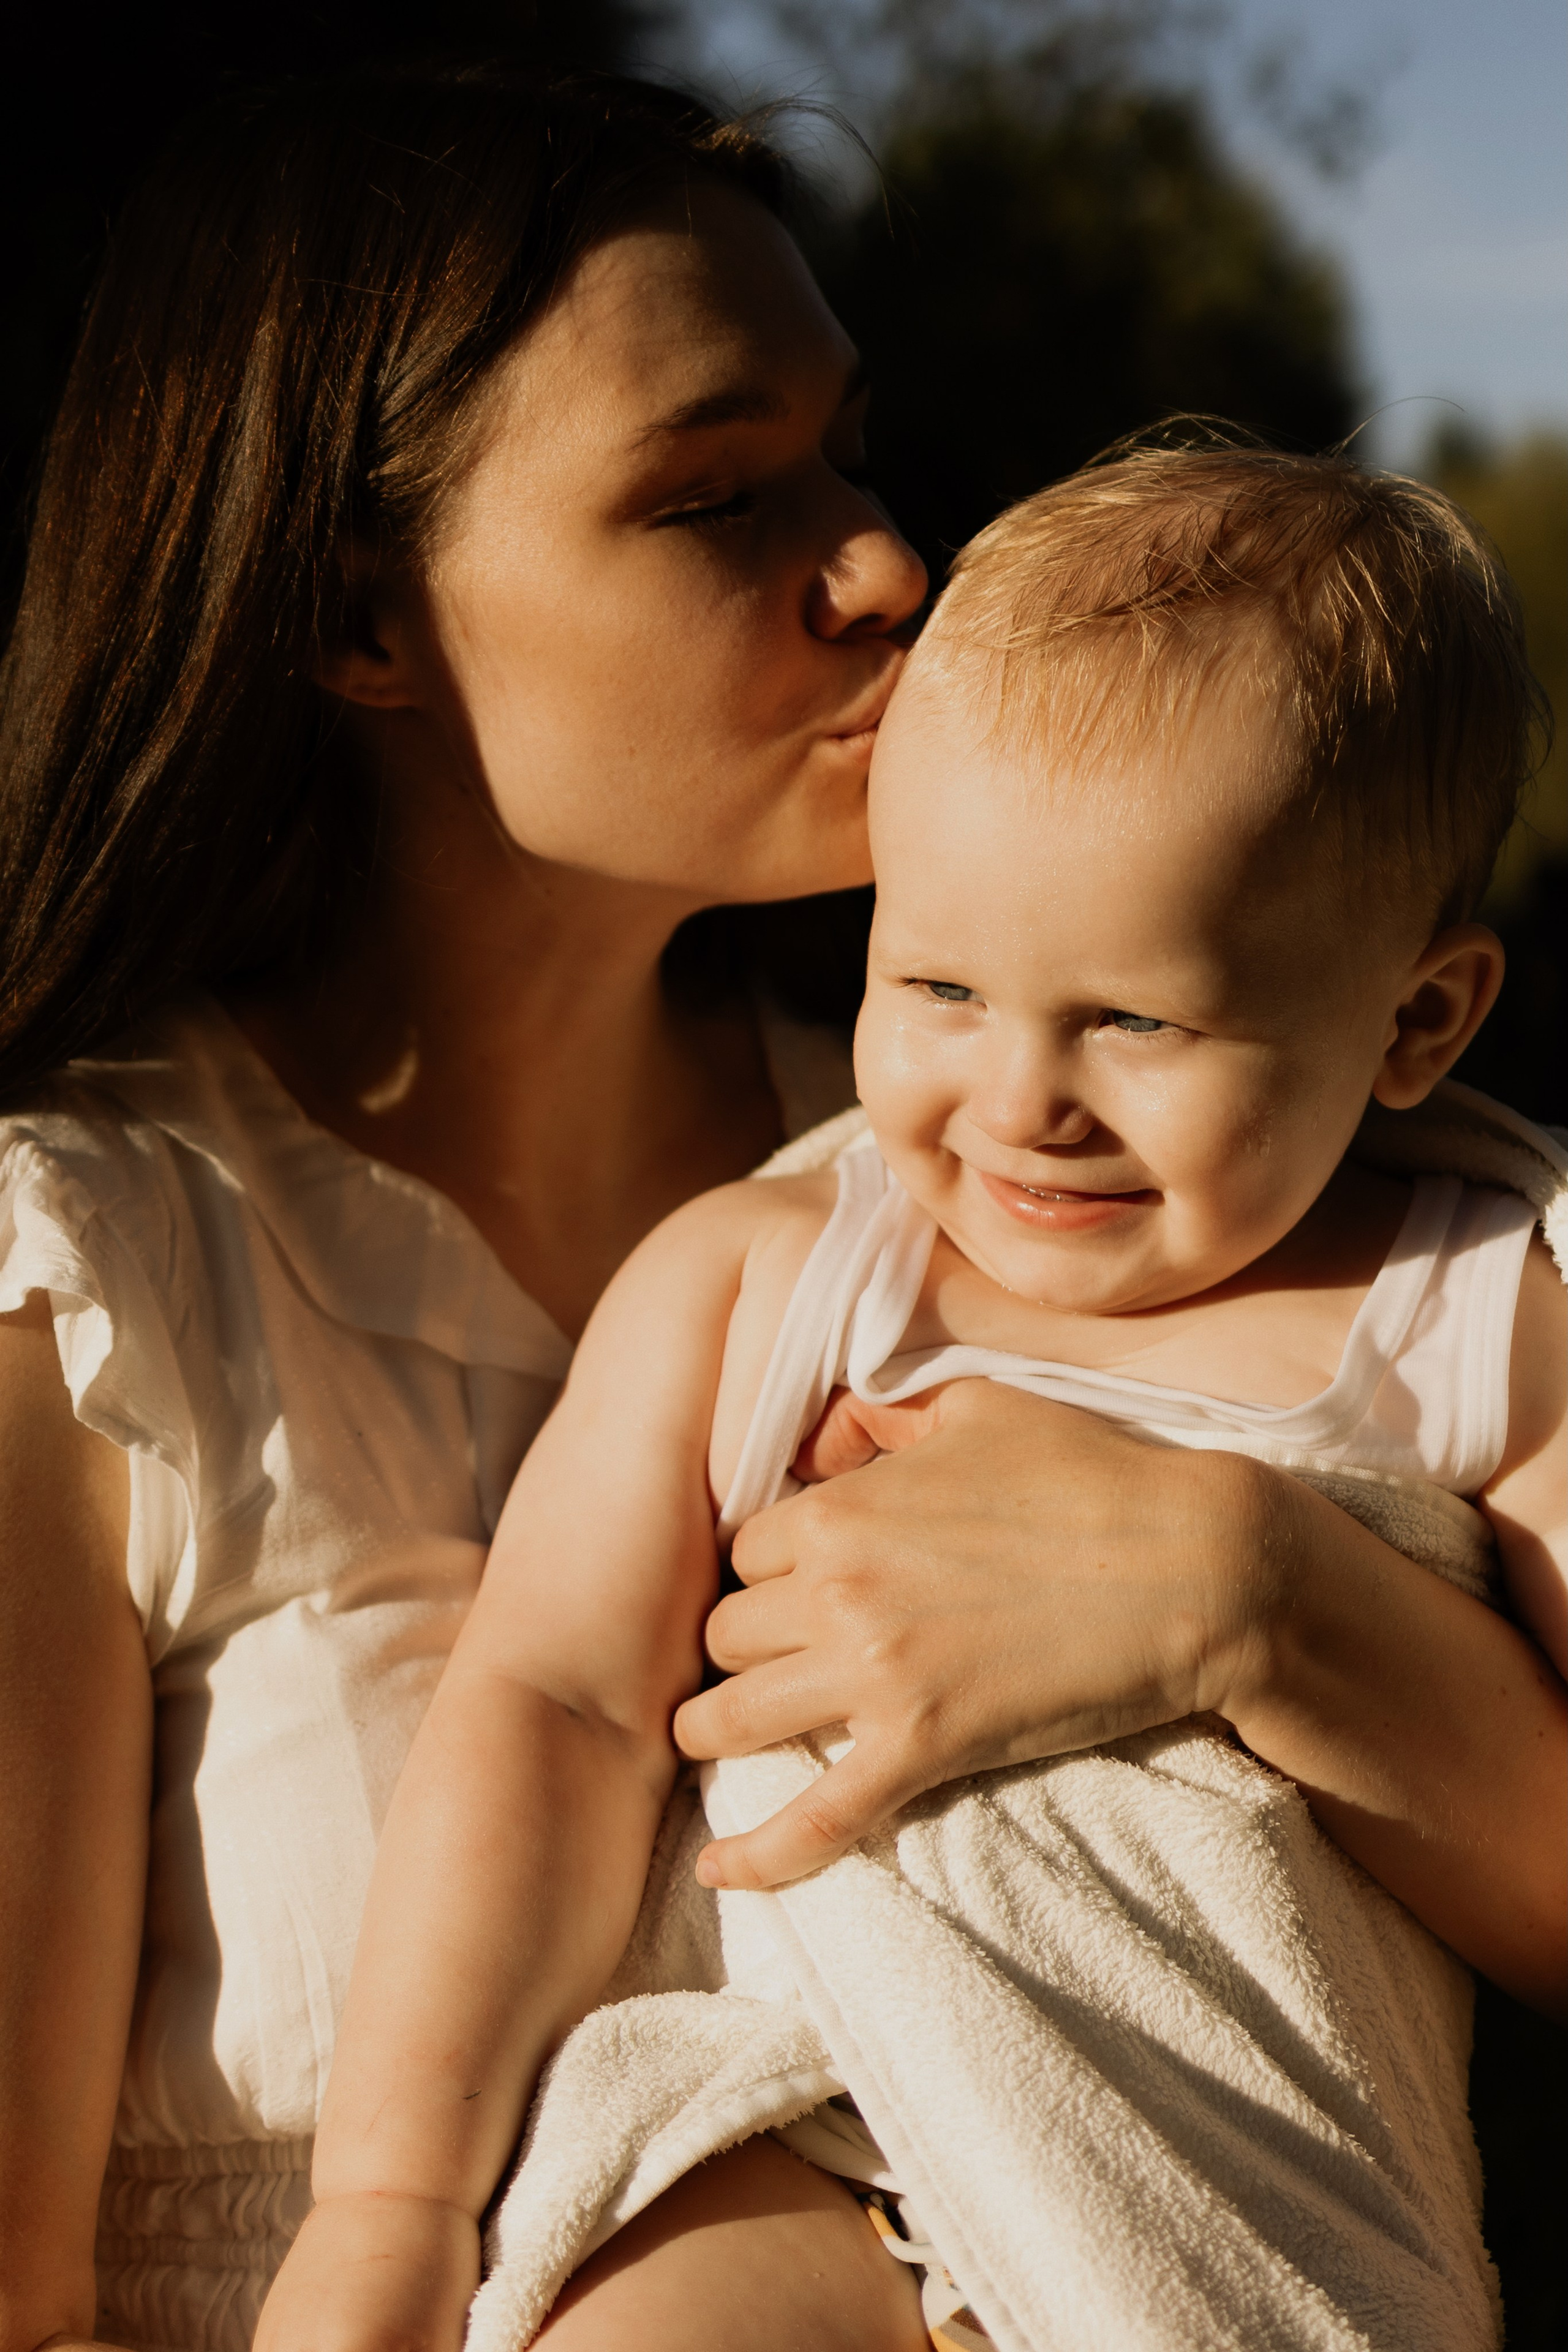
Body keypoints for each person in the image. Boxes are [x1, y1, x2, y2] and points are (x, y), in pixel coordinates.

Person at [0, 61, 1559, 2352]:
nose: (886, 562)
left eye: (849, 447)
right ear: (362, 622)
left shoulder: (1054, 1166)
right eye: (720, 493)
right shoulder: (91, 1277)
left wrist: (1256, 1598)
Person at [251, 441, 1567, 2352]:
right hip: (798, 2135)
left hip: (1230, 2213)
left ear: (1417, 1020)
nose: (1021, 1096)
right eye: (938, 986)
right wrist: (388, 2198)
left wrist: (1280, 1618)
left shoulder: (1475, 1320)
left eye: (1136, 1019)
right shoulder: (770, 1280)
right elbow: (544, 1708)